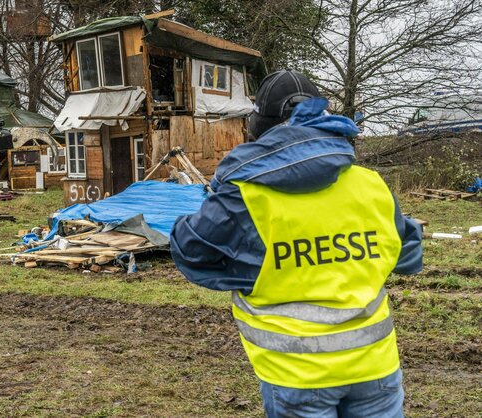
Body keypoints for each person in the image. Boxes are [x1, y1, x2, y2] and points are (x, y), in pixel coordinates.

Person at [170, 70, 422, 417]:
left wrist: (250, 271)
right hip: (375, 366)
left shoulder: (243, 193)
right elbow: (408, 255)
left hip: (297, 374)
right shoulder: (370, 184)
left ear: (257, 126)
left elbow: (190, 252)